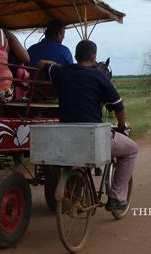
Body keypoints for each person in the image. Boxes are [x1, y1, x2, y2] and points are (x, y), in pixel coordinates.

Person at [39, 40, 138, 211]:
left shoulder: (61, 72)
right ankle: (116, 197)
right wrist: (122, 125)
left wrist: (57, 66)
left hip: (67, 139)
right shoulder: (99, 76)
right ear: (93, 57)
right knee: (132, 150)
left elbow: (41, 63)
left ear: (75, 56)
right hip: (92, 138)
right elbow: (118, 106)